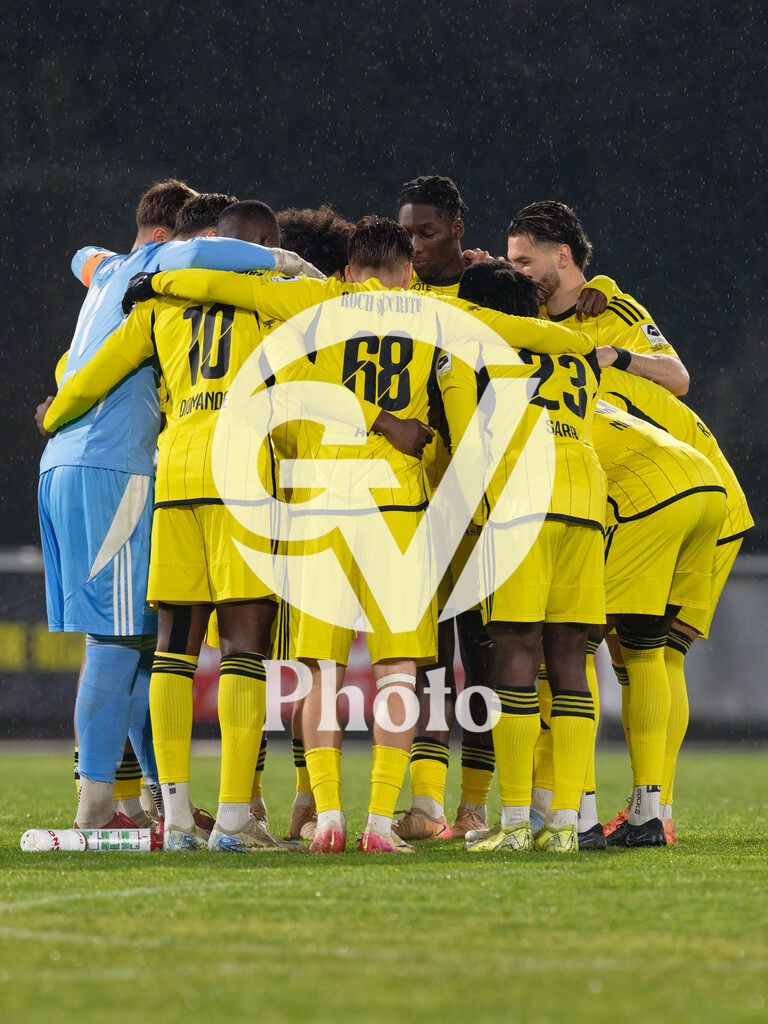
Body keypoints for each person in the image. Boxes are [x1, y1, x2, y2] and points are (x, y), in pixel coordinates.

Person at [37, 189, 326, 835]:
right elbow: (316, 308)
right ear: (257, 253)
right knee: (244, 647)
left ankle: (170, 811)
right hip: (243, 475)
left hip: (176, 472)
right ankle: (232, 818)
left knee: (171, 648)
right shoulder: (281, 302)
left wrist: (52, 415)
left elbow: (90, 375)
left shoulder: (156, 303)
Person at [438, 259, 606, 854]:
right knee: (567, 661)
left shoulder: (468, 348)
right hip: (585, 503)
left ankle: (511, 823)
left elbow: (465, 448)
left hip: (521, 504)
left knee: (513, 651)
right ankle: (564, 823)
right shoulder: (576, 353)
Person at [594, 368, 753, 841]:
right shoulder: (602, 358)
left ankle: (642, 811)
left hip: (667, 498)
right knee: (656, 655)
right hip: (711, 498)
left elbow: (678, 377)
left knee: (624, 647)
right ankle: (655, 809)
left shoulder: (595, 350)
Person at [506, 200, 690, 396]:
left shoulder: (614, 313)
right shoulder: (528, 316)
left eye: (524, 262)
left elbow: (679, 378)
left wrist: (616, 355)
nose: (516, 273)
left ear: (562, 256)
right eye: (512, 263)